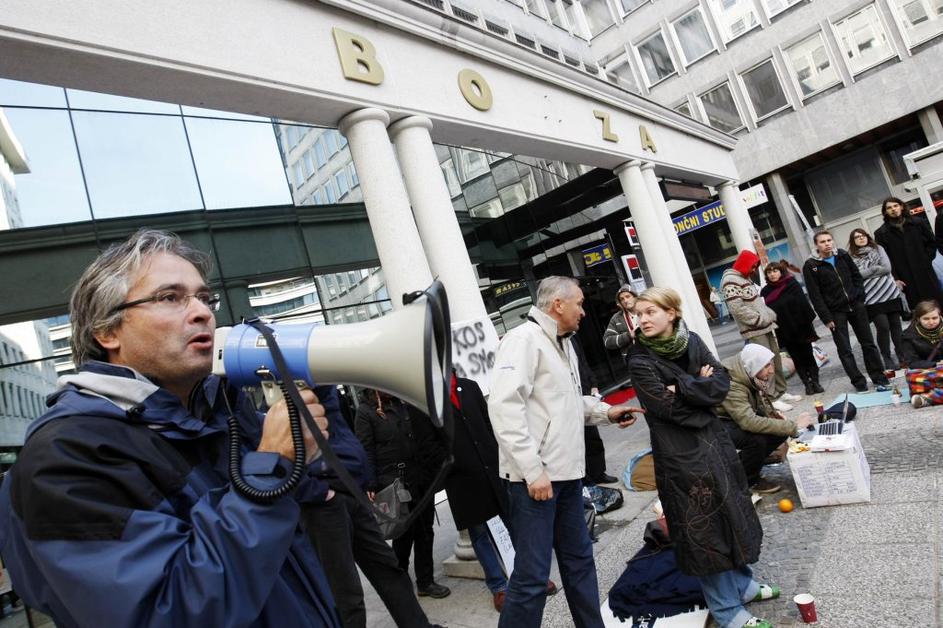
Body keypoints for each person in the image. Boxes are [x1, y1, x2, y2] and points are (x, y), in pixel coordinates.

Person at [0, 229, 339, 627]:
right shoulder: (65, 456)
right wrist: (273, 465)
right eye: (170, 297)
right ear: (107, 331)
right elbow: (170, 610)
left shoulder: (216, 411)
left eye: (204, 298)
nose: (202, 313)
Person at [488, 276, 642, 628]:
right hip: (536, 482)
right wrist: (532, 470)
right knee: (532, 578)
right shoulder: (523, 340)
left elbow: (568, 401)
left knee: (580, 562)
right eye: (580, 303)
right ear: (558, 304)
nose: (584, 311)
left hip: (569, 476)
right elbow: (503, 409)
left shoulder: (564, 343)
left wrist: (606, 412)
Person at [626, 287, 775, 628]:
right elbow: (668, 409)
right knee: (704, 531)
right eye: (639, 314)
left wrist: (684, 386)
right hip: (680, 454)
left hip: (715, 443)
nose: (642, 319)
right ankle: (727, 611)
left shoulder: (691, 340)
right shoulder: (639, 360)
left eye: (650, 312)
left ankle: (743, 585)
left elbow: (721, 383)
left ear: (671, 313)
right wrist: (698, 386)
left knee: (732, 513)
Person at [301, 393, 443, 627]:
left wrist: (361, 480)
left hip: (350, 489)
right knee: (346, 592)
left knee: (389, 569)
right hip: (324, 500)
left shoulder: (327, 392)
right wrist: (314, 489)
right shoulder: (288, 387)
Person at [442, 373, 557, 612]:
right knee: (479, 534)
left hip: (492, 469)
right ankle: (499, 587)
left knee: (514, 523)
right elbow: (429, 448)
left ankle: (532, 575)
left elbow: (488, 424)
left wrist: (500, 457)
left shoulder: (469, 386)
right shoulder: (428, 402)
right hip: (461, 481)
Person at [355, 390, 451, 599]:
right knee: (403, 535)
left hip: (419, 477)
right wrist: (370, 484)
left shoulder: (403, 403)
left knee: (425, 531)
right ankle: (401, 585)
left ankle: (425, 581)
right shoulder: (365, 412)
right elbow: (365, 451)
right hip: (394, 482)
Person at [716, 344, 816, 494]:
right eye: (766, 366)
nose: (771, 370)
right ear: (754, 366)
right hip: (717, 425)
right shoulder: (732, 385)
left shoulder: (748, 372)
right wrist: (794, 426)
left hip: (733, 417)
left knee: (779, 430)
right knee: (756, 440)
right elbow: (749, 422)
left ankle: (744, 464)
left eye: (771, 364)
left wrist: (774, 417)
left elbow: (756, 406)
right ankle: (749, 481)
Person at [803, 231, 891, 393]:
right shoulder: (811, 265)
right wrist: (826, 317)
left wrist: (860, 297)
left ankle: (879, 377)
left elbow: (856, 276)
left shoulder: (842, 255)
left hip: (856, 305)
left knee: (868, 343)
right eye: (822, 242)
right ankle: (858, 382)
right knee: (845, 349)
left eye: (829, 240)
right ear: (816, 245)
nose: (827, 244)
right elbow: (815, 295)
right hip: (835, 311)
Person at [721, 249, 800, 411]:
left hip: (765, 326)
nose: (753, 270)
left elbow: (755, 303)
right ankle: (771, 398)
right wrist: (759, 319)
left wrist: (768, 315)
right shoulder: (730, 281)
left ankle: (780, 391)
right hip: (755, 329)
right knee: (764, 364)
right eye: (752, 266)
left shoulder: (744, 278)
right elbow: (737, 309)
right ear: (744, 264)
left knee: (775, 359)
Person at [760, 261, 822, 395]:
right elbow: (767, 311)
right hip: (784, 331)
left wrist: (807, 323)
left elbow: (803, 303)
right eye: (769, 272)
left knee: (808, 356)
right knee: (797, 359)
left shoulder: (792, 284)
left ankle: (815, 382)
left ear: (781, 272)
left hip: (801, 328)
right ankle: (807, 384)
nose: (772, 274)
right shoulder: (765, 291)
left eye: (775, 271)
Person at [848, 228, 906, 370]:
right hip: (871, 296)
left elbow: (887, 268)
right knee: (883, 327)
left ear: (867, 237)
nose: (861, 238)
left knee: (896, 326)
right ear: (853, 241)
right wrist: (874, 269)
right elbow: (856, 275)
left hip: (889, 291)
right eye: (857, 237)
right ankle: (886, 356)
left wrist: (868, 272)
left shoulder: (878, 248)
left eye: (863, 235)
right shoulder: (850, 257)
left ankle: (902, 355)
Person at [875, 197, 942, 310]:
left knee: (936, 302)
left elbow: (931, 242)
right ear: (885, 212)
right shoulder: (881, 233)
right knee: (917, 307)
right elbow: (885, 258)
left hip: (925, 270)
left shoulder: (918, 223)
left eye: (895, 206)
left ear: (901, 207)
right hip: (904, 275)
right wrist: (895, 277)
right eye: (889, 208)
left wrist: (926, 259)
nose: (893, 209)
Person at [901, 300, 943, 408]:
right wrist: (936, 364)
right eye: (926, 319)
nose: (931, 322)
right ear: (918, 318)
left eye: (934, 318)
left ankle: (926, 398)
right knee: (914, 376)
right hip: (926, 371)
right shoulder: (908, 335)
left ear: (940, 316)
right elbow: (912, 362)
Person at [603, 284, 638, 363]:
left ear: (635, 297)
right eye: (622, 299)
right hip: (634, 360)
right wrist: (628, 336)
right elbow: (607, 341)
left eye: (628, 296)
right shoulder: (617, 318)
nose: (625, 301)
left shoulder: (646, 310)